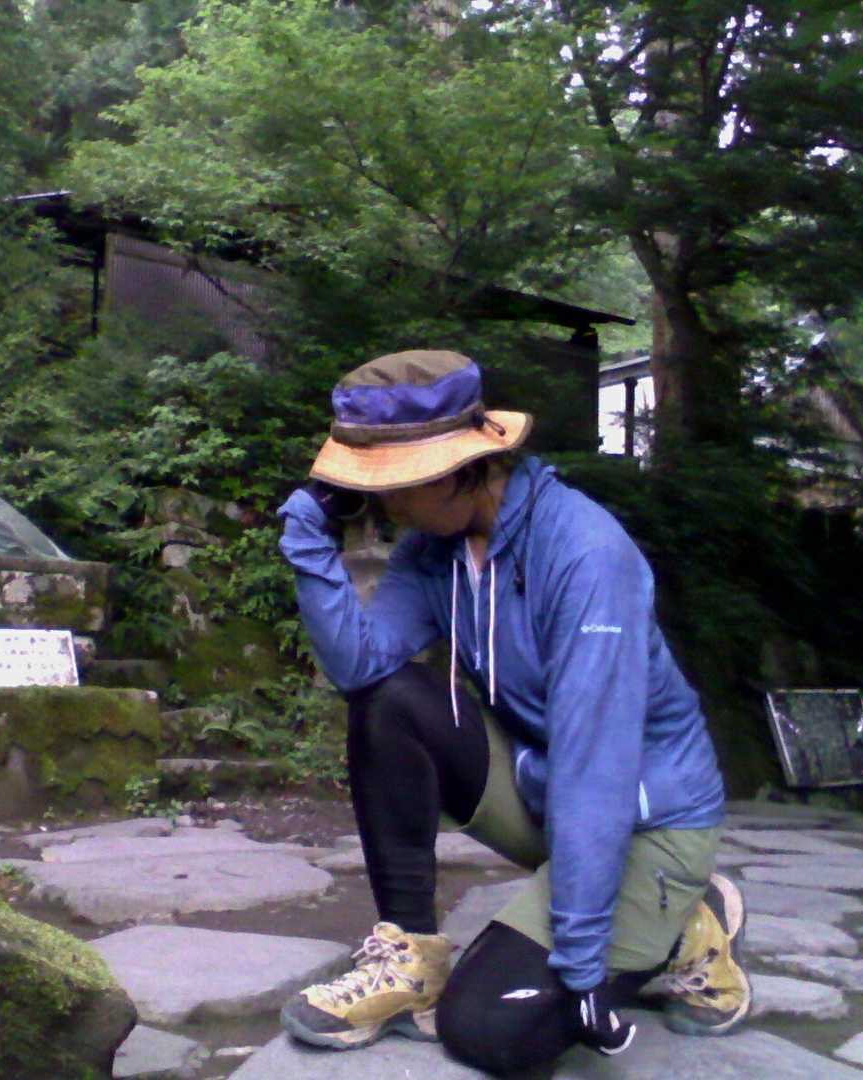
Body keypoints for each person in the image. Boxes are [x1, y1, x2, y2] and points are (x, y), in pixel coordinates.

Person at [275, 350, 750, 1074]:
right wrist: (310, 543)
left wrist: (582, 959)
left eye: (392, 482)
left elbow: (597, 768)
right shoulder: (433, 549)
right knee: (390, 700)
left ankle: (686, 923)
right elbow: (362, 666)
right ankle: (410, 959)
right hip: (544, 790)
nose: (378, 502)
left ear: (463, 465)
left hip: (646, 820)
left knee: (489, 1030)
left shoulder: (587, 555)